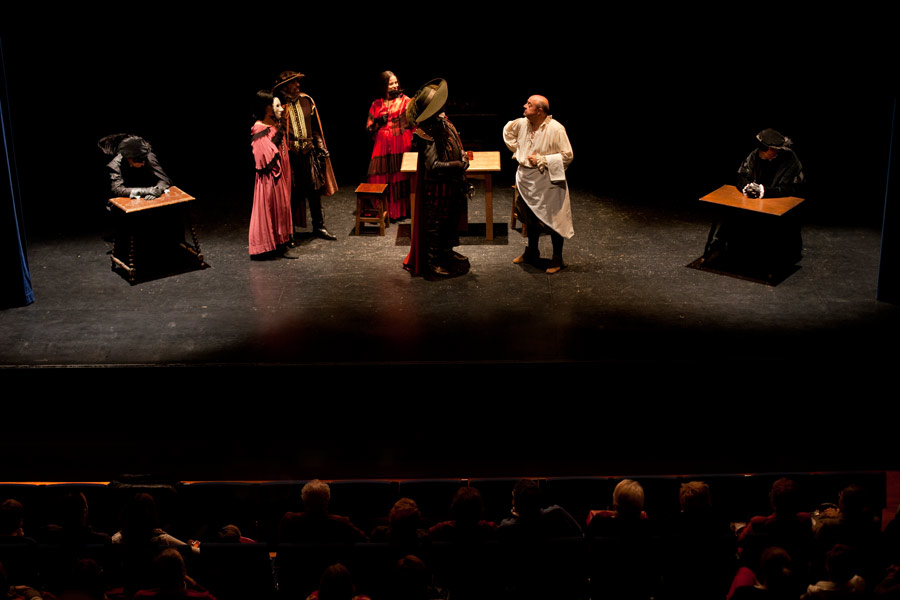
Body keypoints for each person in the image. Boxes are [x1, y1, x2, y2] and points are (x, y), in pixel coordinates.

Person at [703, 128, 806, 268]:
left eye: (777, 150)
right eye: (772, 149)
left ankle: (775, 259)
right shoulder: (755, 156)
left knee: (778, 222)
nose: (776, 152)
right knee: (733, 212)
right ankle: (718, 245)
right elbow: (741, 175)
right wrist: (747, 187)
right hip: (756, 202)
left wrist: (763, 191)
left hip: (780, 204)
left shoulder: (790, 159)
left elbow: (792, 188)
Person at [403, 79, 470, 277]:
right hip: (438, 188)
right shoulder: (424, 133)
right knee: (436, 226)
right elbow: (432, 165)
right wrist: (458, 165)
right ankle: (432, 263)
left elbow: (457, 143)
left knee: (451, 222)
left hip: (452, 184)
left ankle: (446, 253)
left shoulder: (444, 122)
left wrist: (463, 156)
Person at [503, 95, 574, 274]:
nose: (524, 106)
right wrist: (519, 149)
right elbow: (508, 132)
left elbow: (567, 156)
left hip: (547, 181)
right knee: (530, 217)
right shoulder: (521, 123)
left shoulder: (556, 129)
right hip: (525, 179)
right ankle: (532, 251)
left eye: (529, 104)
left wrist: (543, 159)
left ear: (540, 111)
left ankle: (557, 257)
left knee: (554, 219)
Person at [272, 70, 338, 241]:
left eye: (297, 82)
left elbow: (315, 128)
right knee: (293, 194)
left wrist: (320, 147)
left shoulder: (307, 101)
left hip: (308, 152)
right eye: (293, 83)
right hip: (290, 155)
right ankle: (290, 231)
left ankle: (319, 226)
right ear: (285, 86)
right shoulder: (279, 106)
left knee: (314, 191)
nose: (298, 85)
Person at [249, 89, 295, 259]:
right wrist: (278, 135)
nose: (279, 108)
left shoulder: (272, 125)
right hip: (270, 178)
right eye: (273, 105)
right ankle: (273, 245)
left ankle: (281, 242)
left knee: (281, 207)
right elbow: (264, 157)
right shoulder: (259, 127)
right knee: (273, 208)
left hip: (280, 175)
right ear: (266, 107)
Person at [366, 71, 414, 221]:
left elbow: (414, 122)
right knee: (379, 175)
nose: (394, 86)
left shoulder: (406, 101)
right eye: (390, 83)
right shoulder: (376, 104)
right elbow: (369, 128)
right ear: (384, 86)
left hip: (400, 142)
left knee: (400, 176)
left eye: (396, 82)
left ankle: (399, 211)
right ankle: (382, 209)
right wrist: (378, 122)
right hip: (381, 144)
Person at [278, 480, 368, 544]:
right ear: (327, 500)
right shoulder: (342, 524)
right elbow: (365, 541)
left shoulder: (289, 521)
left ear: (304, 500)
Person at [98, 134, 173, 200]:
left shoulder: (148, 156)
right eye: (140, 160)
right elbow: (117, 189)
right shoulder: (115, 165)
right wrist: (147, 191)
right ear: (129, 159)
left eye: (144, 160)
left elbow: (164, 179)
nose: (143, 163)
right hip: (126, 200)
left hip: (148, 197)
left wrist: (157, 190)